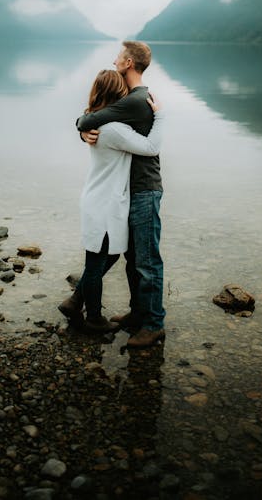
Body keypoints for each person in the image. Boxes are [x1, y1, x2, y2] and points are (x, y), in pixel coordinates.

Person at [58, 68, 163, 334]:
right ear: (118, 94)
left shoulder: (100, 125)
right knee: (95, 264)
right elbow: (151, 148)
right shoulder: (114, 129)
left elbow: (86, 121)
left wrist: (81, 127)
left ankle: (75, 302)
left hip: (99, 200)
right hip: (104, 204)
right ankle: (93, 318)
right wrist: (160, 116)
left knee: (109, 255)